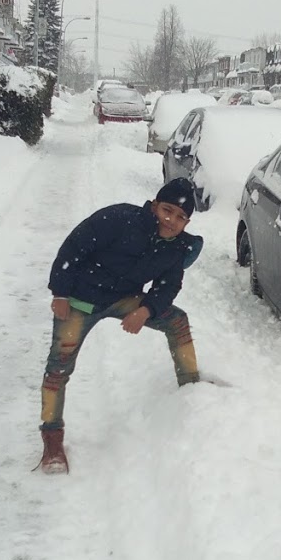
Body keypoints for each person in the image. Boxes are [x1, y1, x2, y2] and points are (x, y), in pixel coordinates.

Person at [36, 179, 204, 473]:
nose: (171, 220)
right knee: (59, 366)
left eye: (180, 217)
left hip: (123, 298)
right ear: (154, 206)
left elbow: (167, 287)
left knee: (177, 321)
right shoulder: (118, 219)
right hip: (80, 300)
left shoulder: (176, 248)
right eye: (167, 210)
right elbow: (73, 248)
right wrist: (60, 293)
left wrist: (145, 310)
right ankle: (52, 438)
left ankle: (191, 391)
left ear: (186, 222)